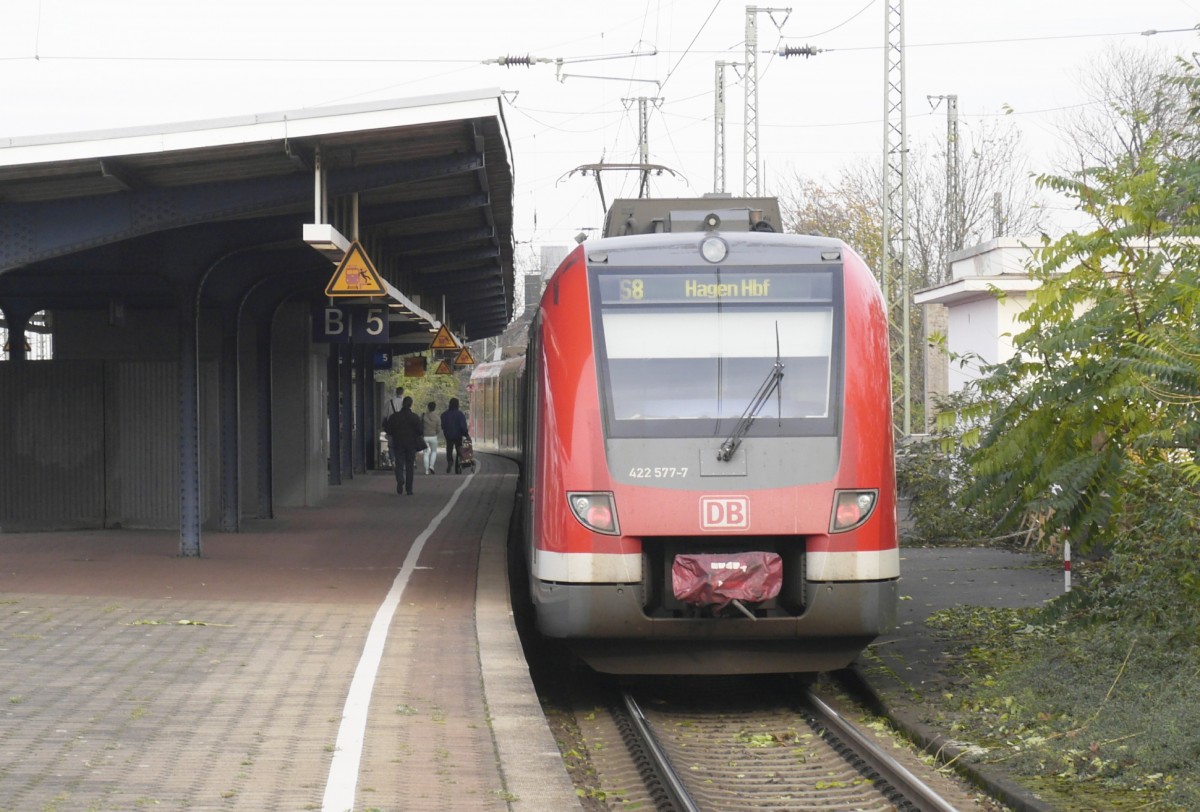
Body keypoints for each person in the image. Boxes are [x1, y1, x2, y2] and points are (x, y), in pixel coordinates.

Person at [384, 396, 424, 495]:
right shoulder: (414, 417)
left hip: (398, 443)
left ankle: (400, 479)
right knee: (410, 466)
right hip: (411, 445)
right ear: (411, 404)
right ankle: (409, 489)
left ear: (403, 404)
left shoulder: (395, 417)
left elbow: (388, 430)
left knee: (399, 463)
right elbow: (420, 431)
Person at [440, 397, 470, 473]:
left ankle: (450, 461)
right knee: (459, 450)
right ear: (457, 405)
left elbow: (443, 426)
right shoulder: (460, 414)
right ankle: (458, 467)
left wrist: (446, 431)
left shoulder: (444, 415)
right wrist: (466, 434)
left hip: (448, 435)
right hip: (458, 435)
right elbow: (463, 426)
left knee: (449, 449)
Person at [381, 386, 404, 472]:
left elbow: (384, 416)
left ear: (396, 392)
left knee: (391, 446)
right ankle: (400, 462)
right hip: (401, 427)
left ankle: (393, 461)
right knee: (401, 445)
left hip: (391, 426)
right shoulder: (404, 402)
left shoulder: (389, 402)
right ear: (402, 392)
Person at [421, 401, 441, 475]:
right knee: (433, 452)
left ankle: (426, 470)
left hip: (425, 436)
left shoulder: (423, 416)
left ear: (428, 407)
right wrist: (436, 433)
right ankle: (431, 466)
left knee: (426, 453)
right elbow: (439, 428)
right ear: (435, 408)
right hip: (433, 436)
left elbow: (420, 425)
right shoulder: (437, 417)